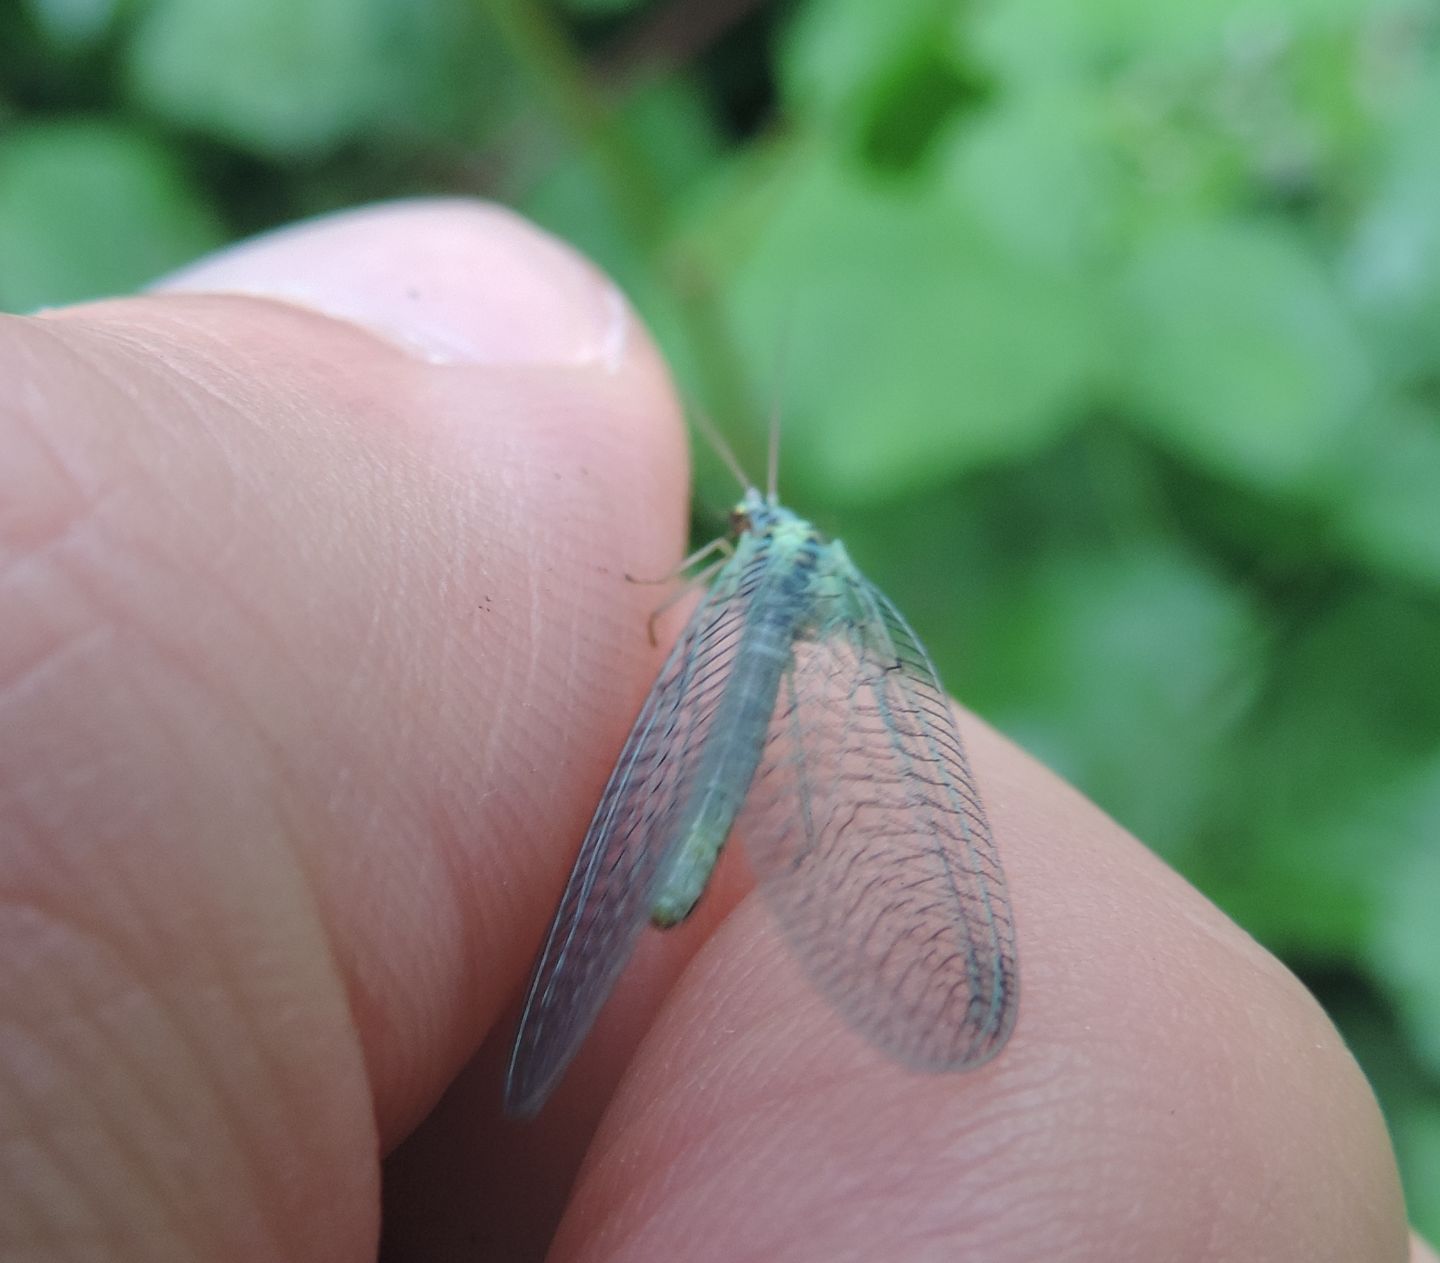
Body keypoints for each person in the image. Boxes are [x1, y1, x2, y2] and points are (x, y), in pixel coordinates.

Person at [0, 200, 1424, 1261]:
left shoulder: (760, 580)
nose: (738, 528)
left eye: (744, 525)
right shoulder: (769, 574)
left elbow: (707, 659)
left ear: (751, 535)